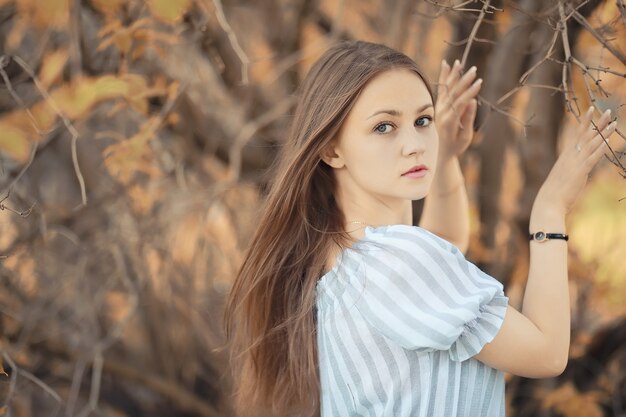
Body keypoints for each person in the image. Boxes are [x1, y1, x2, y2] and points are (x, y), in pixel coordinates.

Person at [223, 40, 617, 417]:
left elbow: (442, 248)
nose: (415, 143)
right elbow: (546, 354)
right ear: (331, 149)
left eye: (422, 120)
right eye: (384, 127)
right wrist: (550, 210)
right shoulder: (397, 260)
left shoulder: (341, 257)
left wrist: (445, 159)